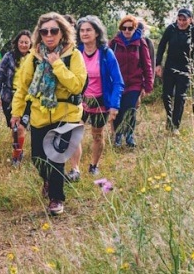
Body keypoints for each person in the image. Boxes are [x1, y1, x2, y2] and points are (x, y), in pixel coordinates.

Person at [11, 12, 87, 215]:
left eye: (54, 30)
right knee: (38, 157)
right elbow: (23, 87)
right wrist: (16, 113)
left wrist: (57, 65)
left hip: (66, 114)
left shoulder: (74, 55)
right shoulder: (33, 57)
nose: (49, 35)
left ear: (62, 33)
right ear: (40, 34)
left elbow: (77, 86)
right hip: (40, 114)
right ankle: (48, 180)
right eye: (44, 31)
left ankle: (56, 198)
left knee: (56, 156)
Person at [66, 16, 124, 181]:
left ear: (97, 33)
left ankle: (94, 165)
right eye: (82, 30)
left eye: (88, 30)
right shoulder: (75, 53)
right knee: (74, 133)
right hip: (80, 101)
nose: (84, 33)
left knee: (97, 135)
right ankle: (75, 169)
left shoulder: (106, 54)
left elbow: (118, 81)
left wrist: (114, 105)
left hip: (100, 101)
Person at [156, 8, 194, 133]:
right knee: (166, 94)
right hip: (170, 66)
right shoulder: (171, 29)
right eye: (179, 19)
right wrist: (158, 64)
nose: (181, 22)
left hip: (185, 68)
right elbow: (161, 46)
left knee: (180, 97)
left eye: (184, 20)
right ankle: (169, 117)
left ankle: (175, 125)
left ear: (190, 20)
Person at [109, 15, 154, 148]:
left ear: (135, 29)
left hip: (134, 83)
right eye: (124, 28)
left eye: (130, 28)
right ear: (120, 28)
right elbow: (107, 64)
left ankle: (129, 135)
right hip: (117, 84)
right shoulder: (114, 44)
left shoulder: (140, 43)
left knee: (130, 109)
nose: (127, 30)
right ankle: (117, 135)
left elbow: (147, 65)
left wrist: (148, 85)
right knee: (118, 109)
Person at [0, 30, 32, 166]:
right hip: (9, 97)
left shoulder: (34, 57)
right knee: (14, 127)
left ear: (31, 43)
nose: (23, 45)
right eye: (21, 42)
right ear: (17, 43)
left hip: (28, 98)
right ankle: (17, 151)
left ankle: (17, 157)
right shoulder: (9, 56)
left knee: (20, 127)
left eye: (26, 42)